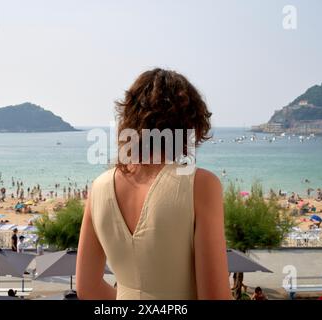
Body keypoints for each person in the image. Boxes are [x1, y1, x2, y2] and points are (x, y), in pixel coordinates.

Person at [76, 68, 232, 300]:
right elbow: (215, 296)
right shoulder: (200, 185)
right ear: (190, 126)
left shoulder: (99, 187)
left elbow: (87, 288)